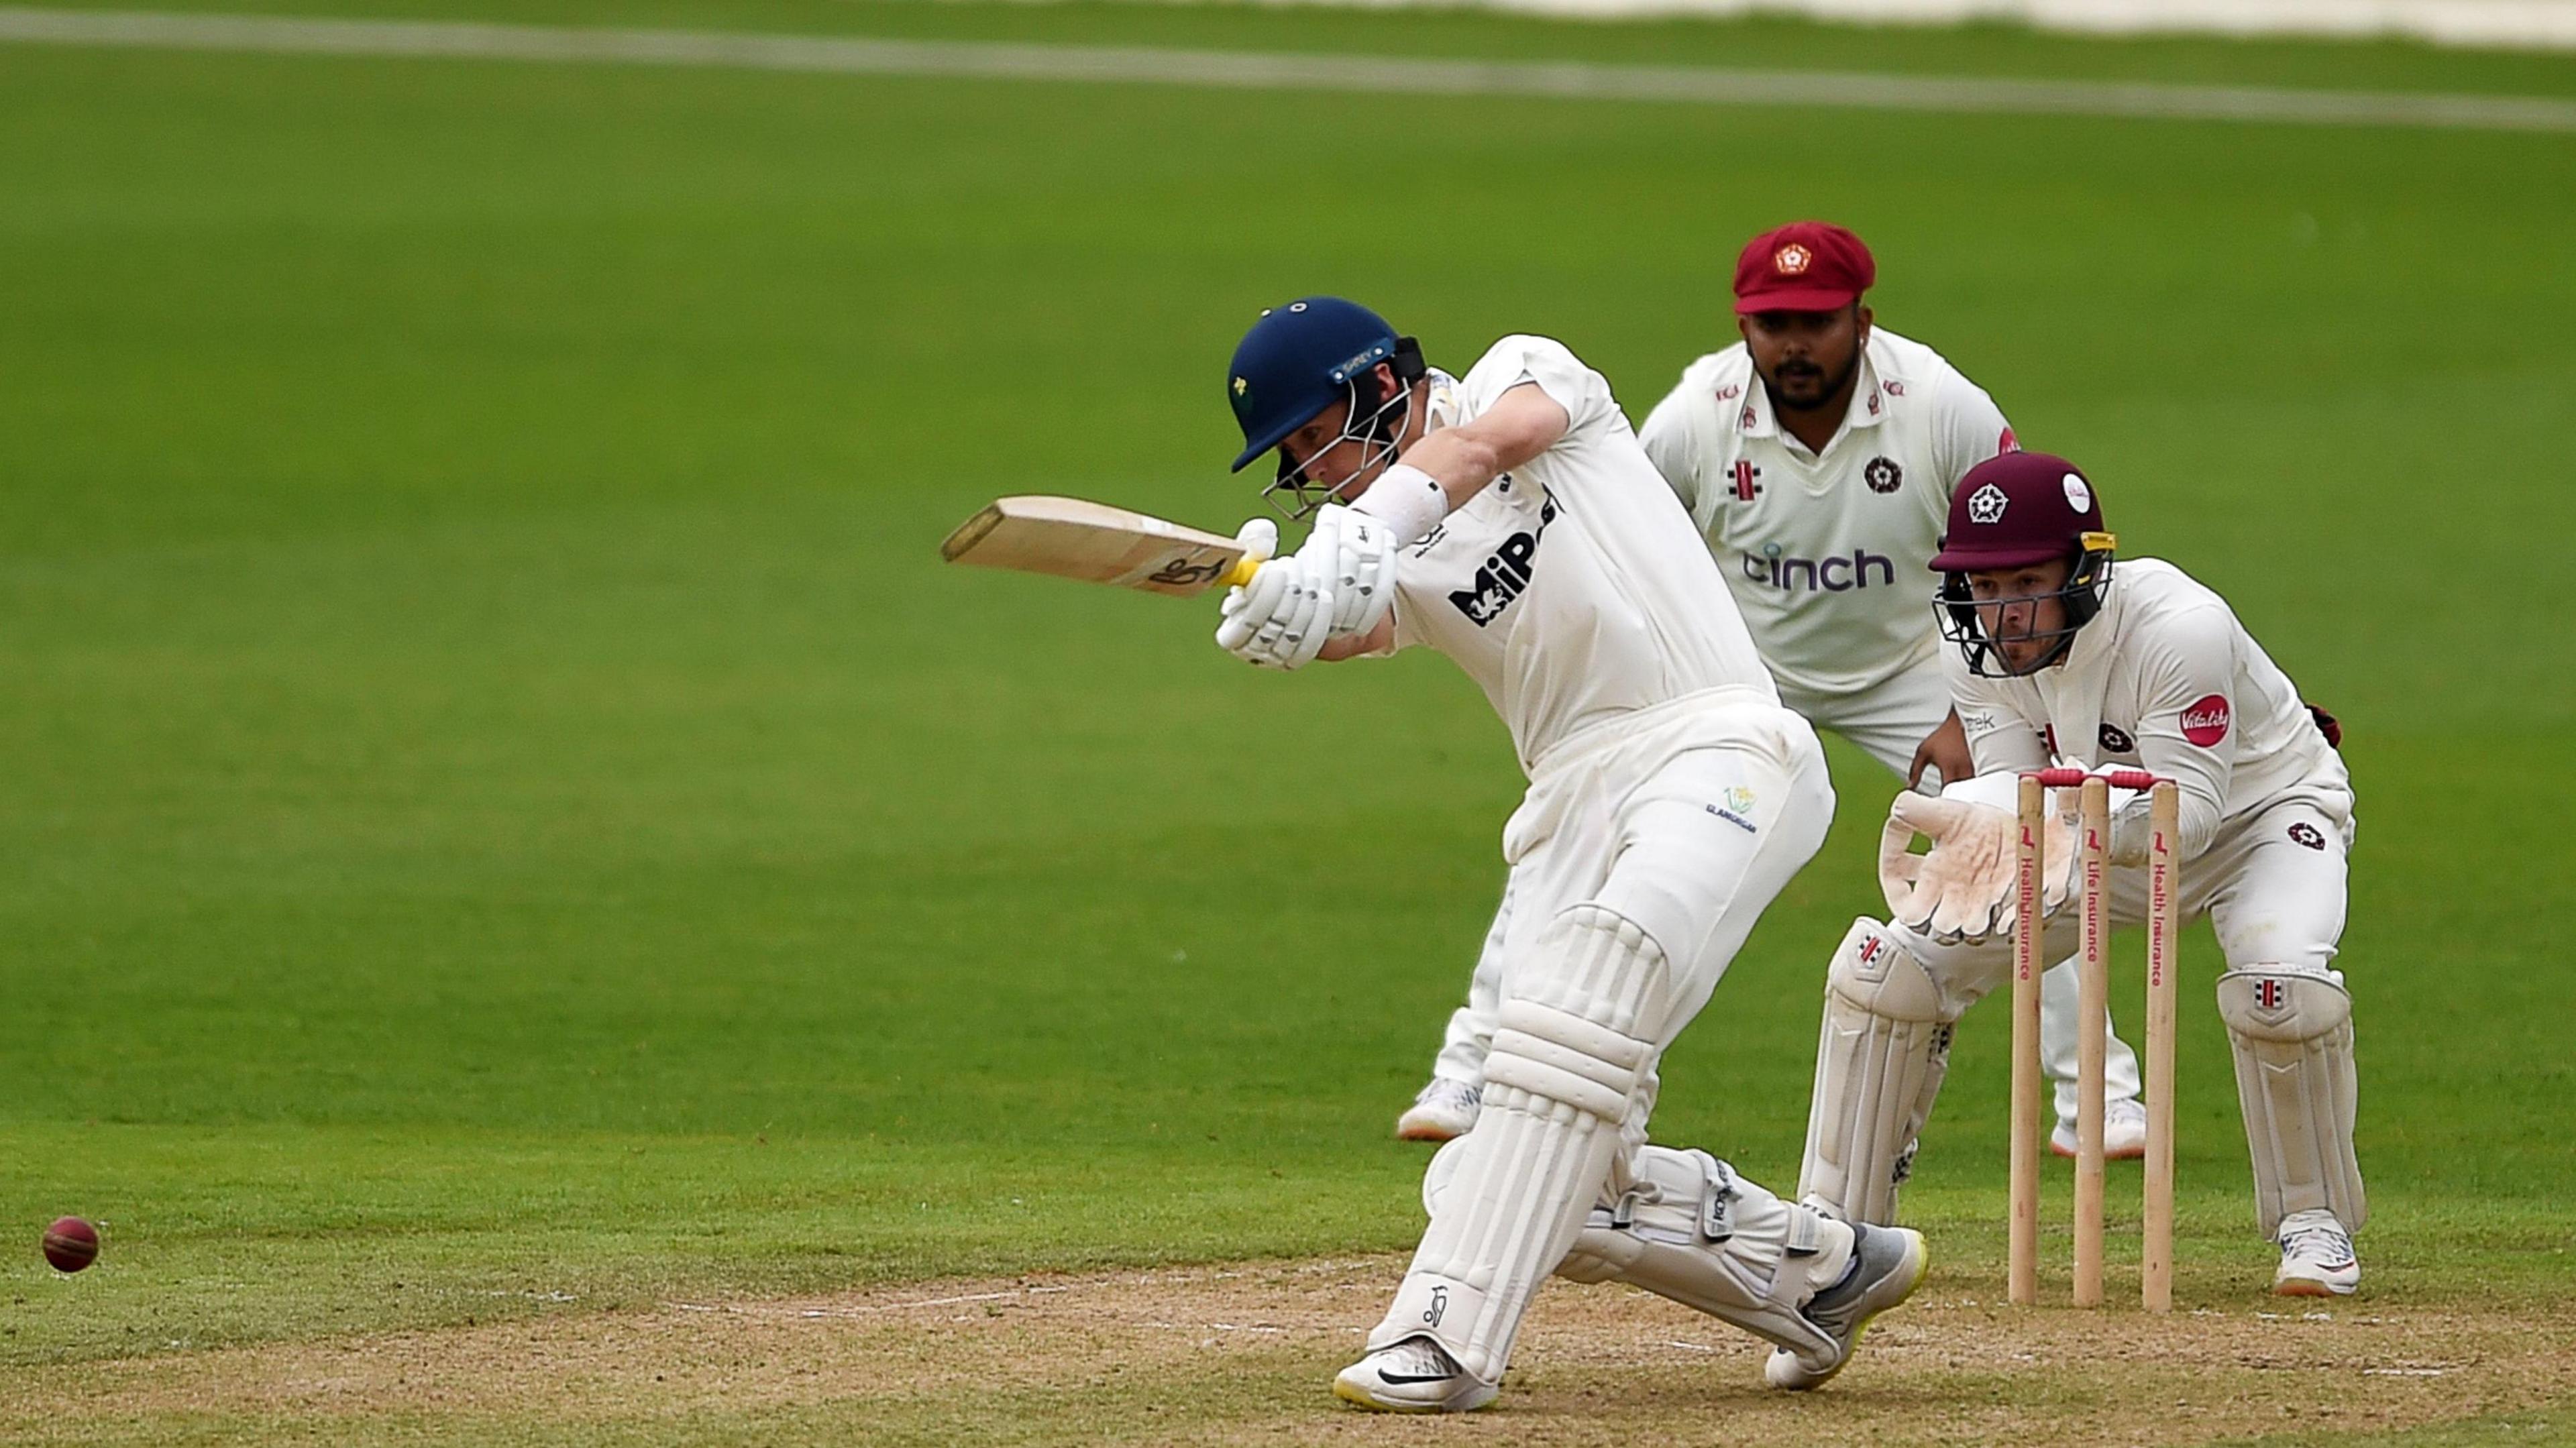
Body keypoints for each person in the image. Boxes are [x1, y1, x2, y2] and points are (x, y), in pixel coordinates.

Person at [1215, 296, 1927, 1410]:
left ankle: (1442, 1337)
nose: (1319, 470)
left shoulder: (1519, 373)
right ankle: (1817, 1270)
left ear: (1380, 382)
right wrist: (1282, 612)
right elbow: (1362, 613)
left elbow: (1484, 445)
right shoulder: (1383, 534)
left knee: (1581, 1008)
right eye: (1296, 459)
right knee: (1521, 1159)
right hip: (1567, 802)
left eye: (1319, 434)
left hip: (1719, 740)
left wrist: (1365, 532)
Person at [1400, 221, 2151, 1169]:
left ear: (1862, 320)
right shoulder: (1698, 415)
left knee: (2018, 840)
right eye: (1771, 323)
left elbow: (2022, 539)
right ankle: (1470, 1068)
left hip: (1914, 664)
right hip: (1733, 662)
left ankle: (2100, 1096)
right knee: (1577, 804)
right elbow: (1607, 524)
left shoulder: (1937, 400)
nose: (1793, 343)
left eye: (1815, 321)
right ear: (1742, 326)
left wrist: (1976, 706)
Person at [1797, 448, 2363, 1298]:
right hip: (2101, 833)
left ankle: (2314, 1225)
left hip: (2261, 820)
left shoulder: (2180, 627)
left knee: (2277, 982)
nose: (2002, 615)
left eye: (2025, 581)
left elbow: (2193, 815)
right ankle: (1837, 1227)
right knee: (1891, 968)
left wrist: (2052, 816)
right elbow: (2016, 790)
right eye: (1982, 590)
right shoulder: (1976, 656)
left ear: (2085, 570)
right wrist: (1979, 824)